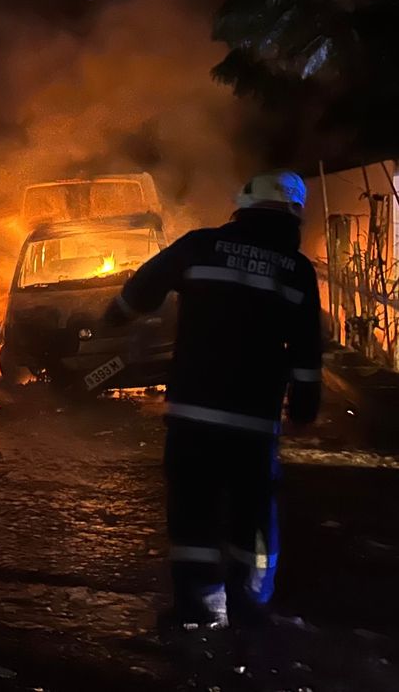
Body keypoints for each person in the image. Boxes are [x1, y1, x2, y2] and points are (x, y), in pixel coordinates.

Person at [104, 171, 322, 630]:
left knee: (191, 508)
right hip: (254, 420)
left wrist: (117, 315)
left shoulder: (200, 245)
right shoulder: (297, 270)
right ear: (294, 215)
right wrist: (304, 403)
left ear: (240, 206)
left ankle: (195, 604)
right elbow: (306, 349)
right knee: (250, 508)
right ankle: (249, 602)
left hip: (193, 412)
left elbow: (144, 287)